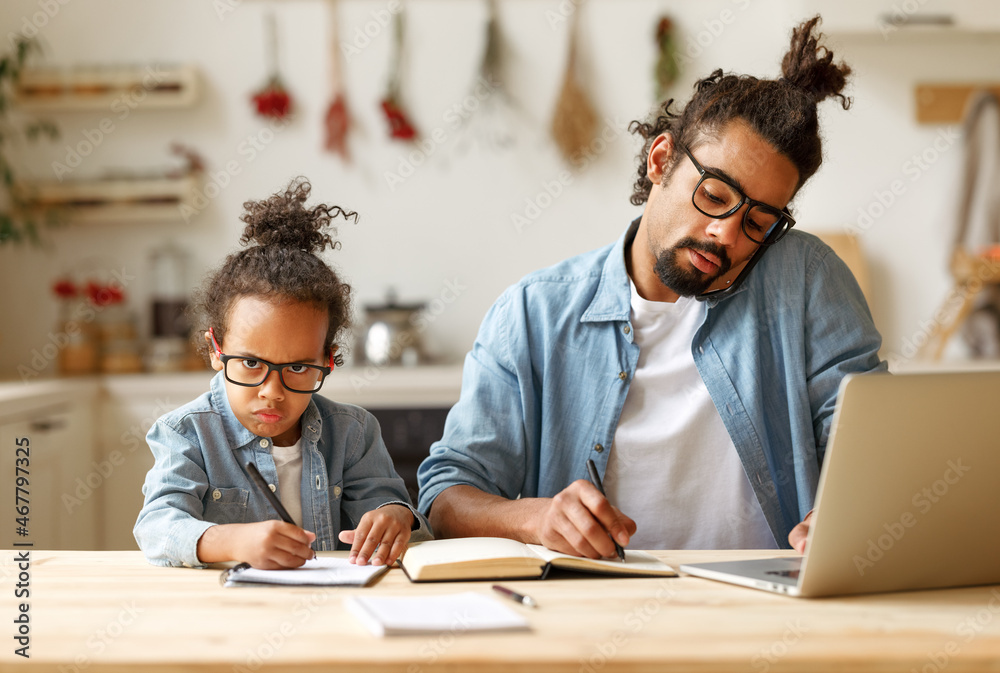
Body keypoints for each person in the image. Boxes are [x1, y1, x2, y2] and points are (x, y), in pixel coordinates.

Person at [417, 17, 886, 558]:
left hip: (768, 611)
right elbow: (446, 497)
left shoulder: (806, 279)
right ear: (660, 160)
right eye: (714, 195)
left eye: (759, 221)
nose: (726, 233)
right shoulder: (533, 313)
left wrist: (846, 511)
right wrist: (536, 517)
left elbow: (871, 436)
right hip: (593, 610)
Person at [135, 178, 429, 569]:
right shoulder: (187, 433)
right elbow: (157, 527)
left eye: (297, 367)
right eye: (252, 363)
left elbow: (386, 503)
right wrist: (231, 541)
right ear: (215, 351)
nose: (272, 392)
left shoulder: (353, 433)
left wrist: (396, 516)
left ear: (327, 361)